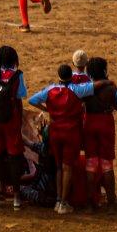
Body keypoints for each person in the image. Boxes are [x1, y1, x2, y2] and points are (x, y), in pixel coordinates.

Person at [29, 64, 99, 215]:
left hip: (55, 131)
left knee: (59, 166)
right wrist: (108, 82)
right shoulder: (77, 90)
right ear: (70, 77)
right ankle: (63, 202)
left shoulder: (50, 90)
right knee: (68, 167)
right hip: (71, 132)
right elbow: (95, 85)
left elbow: (32, 100)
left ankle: (58, 200)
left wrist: (46, 109)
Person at [0, 44, 28, 210]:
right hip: (11, 120)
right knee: (14, 158)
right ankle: (16, 196)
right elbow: (20, 97)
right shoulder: (17, 76)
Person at [83, 56, 117, 211]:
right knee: (107, 165)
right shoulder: (111, 89)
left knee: (91, 165)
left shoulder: (85, 89)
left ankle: (92, 204)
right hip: (105, 123)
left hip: (90, 122)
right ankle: (111, 204)